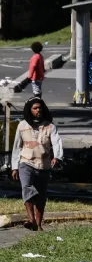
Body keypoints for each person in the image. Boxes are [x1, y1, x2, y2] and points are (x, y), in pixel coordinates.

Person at [10, 97, 63, 231]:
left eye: (39, 108)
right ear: (30, 110)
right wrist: (15, 167)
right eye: (35, 108)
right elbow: (17, 147)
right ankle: (30, 219)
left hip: (43, 165)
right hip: (25, 162)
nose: (38, 110)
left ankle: (38, 225)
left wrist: (57, 157)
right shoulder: (22, 126)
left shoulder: (50, 127)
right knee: (26, 187)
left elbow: (57, 143)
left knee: (41, 195)